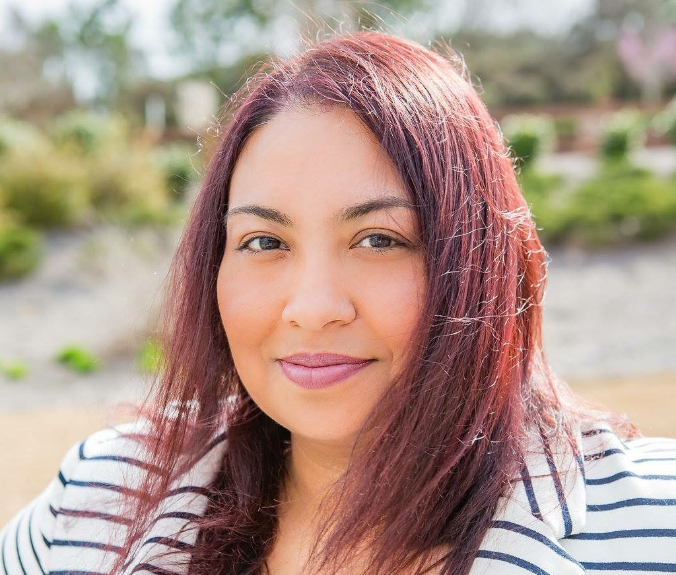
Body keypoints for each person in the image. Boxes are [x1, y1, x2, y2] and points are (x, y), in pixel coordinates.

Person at [2, 30, 676, 575]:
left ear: (482, 262)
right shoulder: (100, 500)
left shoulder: (652, 525)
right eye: (264, 241)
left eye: (379, 238)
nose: (313, 307)